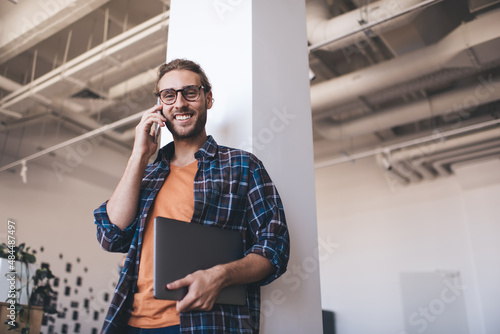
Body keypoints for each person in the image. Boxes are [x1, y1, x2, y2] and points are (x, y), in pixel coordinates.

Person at [93, 59, 290, 334]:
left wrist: (220, 276)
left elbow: (275, 247)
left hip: (204, 323)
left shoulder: (243, 166)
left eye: (190, 92)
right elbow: (111, 236)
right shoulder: (146, 175)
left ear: (207, 99)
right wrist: (139, 156)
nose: (180, 103)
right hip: (130, 323)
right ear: (159, 106)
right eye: (169, 95)